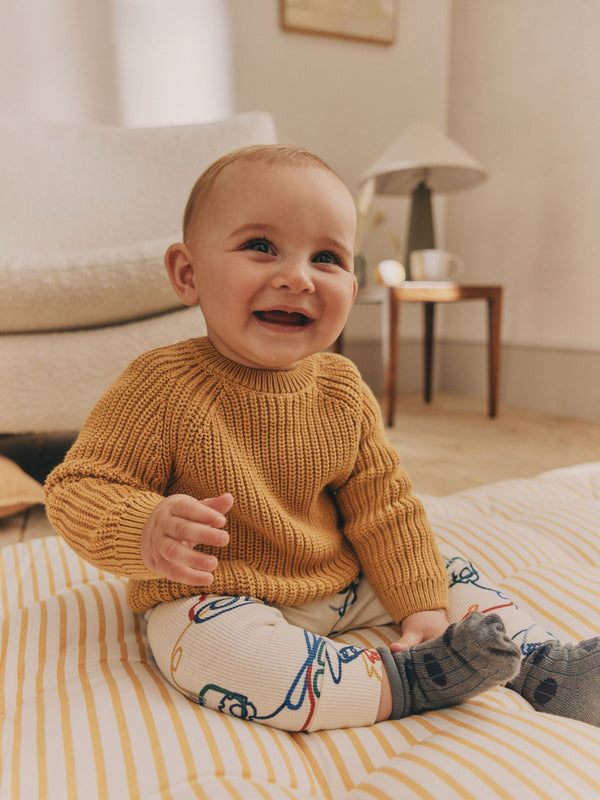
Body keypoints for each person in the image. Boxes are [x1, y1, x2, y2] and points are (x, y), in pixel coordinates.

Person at [45, 145, 599, 732]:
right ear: (189, 274)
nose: (297, 277)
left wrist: (424, 607)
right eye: (261, 247)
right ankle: (408, 679)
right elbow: (80, 486)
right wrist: (146, 529)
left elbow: (383, 507)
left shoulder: (341, 387)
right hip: (217, 589)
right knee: (204, 649)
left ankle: (545, 668)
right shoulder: (160, 385)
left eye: (328, 257)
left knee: (442, 567)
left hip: (338, 577)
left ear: (352, 289)